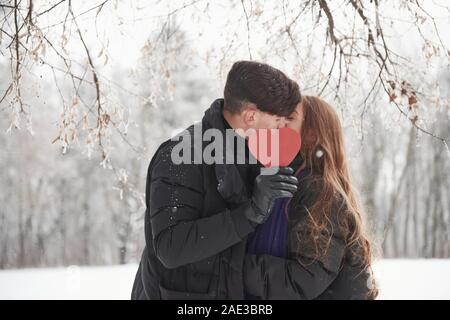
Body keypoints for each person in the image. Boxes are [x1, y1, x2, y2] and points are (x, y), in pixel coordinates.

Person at [131, 61, 302, 299]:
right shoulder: (180, 156)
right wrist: (250, 212)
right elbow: (170, 246)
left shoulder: (252, 153)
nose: (282, 129)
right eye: (277, 121)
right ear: (251, 116)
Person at [243, 96, 378, 299]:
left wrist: (234, 268)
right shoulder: (278, 180)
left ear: (312, 136)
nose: (279, 122)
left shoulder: (321, 193)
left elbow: (305, 278)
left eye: (289, 117)